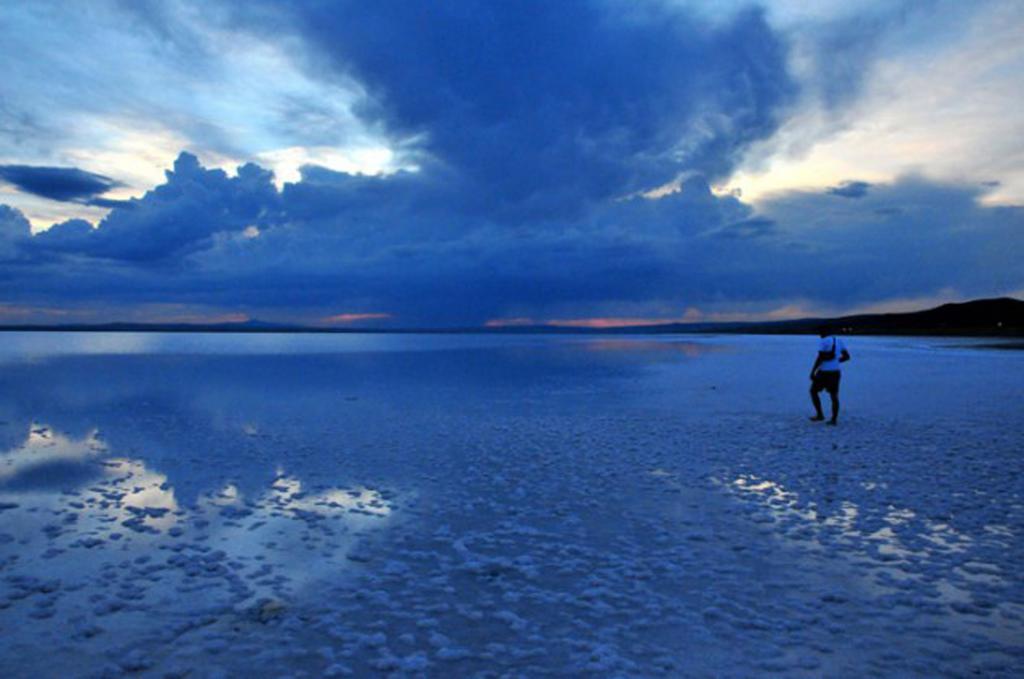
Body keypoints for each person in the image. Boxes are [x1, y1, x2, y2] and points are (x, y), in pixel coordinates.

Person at [809, 326, 850, 425]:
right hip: (835, 372)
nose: (819, 335)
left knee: (813, 391)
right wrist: (836, 361)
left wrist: (813, 371)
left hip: (824, 372)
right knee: (834, 396)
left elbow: (820, 358)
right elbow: (847, 357)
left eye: (820, 332)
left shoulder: (823, 341)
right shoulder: (839, 340)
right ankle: (834, 420)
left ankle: (820, 415)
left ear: (823, 333)